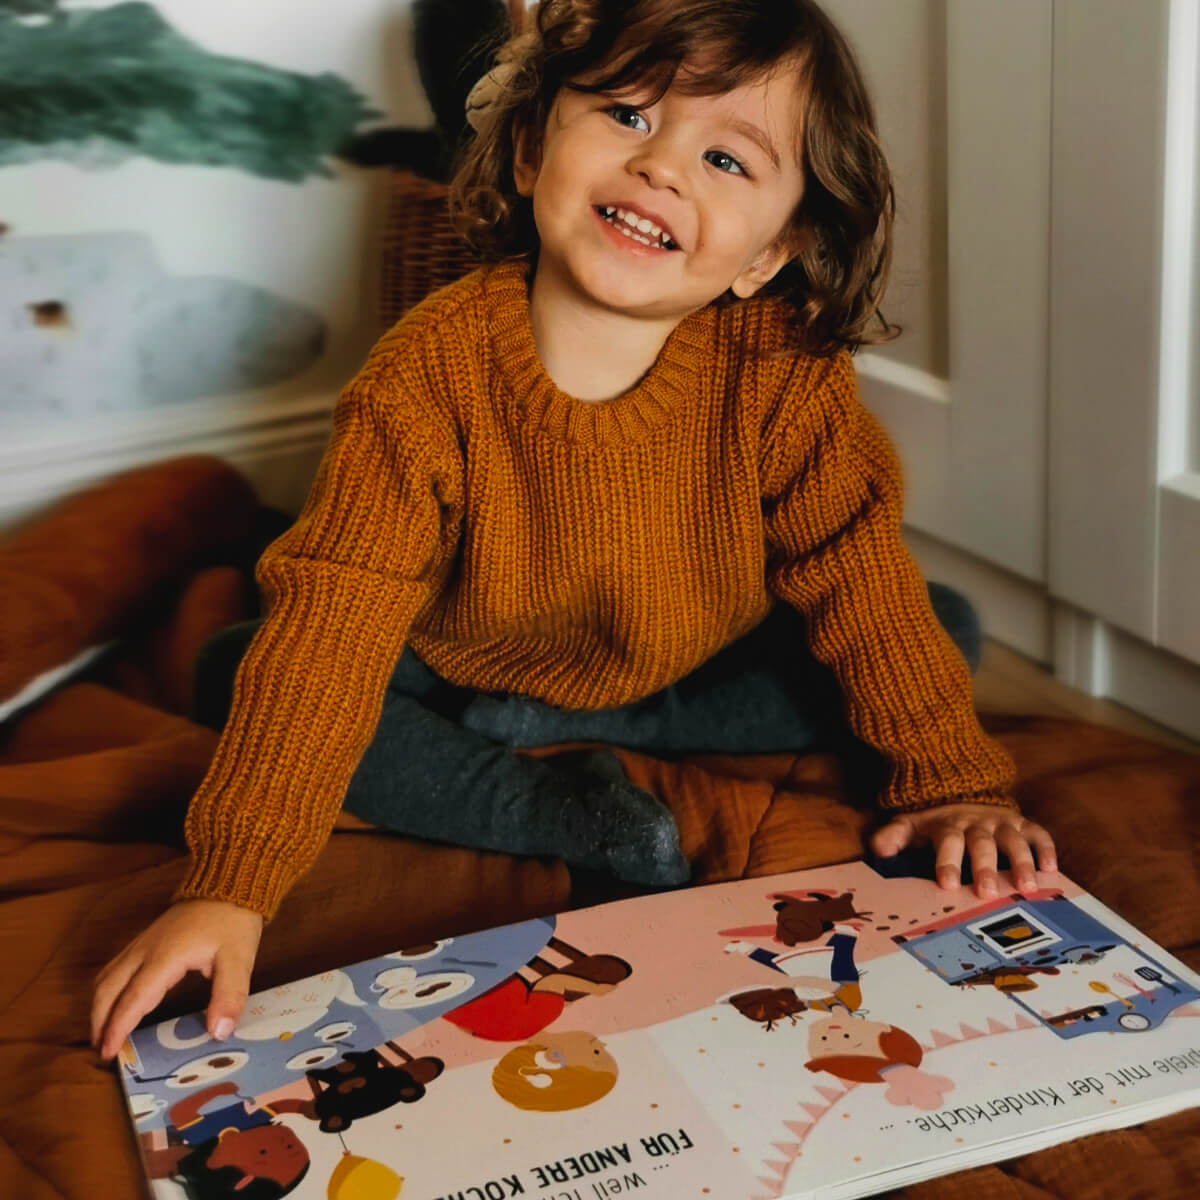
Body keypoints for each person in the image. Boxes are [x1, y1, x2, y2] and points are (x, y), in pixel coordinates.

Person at [91, 0, 1056, 1063]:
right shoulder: (427, 374)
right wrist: (231, 889)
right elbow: (340, 614)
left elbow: (857, 580)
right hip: (461, 658)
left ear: (767, 254)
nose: (664, 169)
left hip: (694, 660)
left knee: (934, 621)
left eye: (728, 159)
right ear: (527, 146)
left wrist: (955, 784)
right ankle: (553, 805)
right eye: (629, 114)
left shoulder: (785, 378)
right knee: (247, 662)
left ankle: (604, 729)